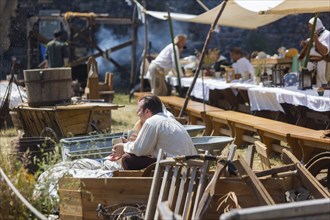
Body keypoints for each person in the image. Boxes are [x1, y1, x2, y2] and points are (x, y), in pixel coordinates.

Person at [111, 95, 197, 170]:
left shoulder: (152, 121)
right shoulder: (170, 120)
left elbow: (140, 150)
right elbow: (147, 148)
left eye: (139, 110)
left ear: (147, 112)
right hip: (187, 165)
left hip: (174, 167)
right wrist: (131, 143)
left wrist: (124, 147)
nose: (138, 114)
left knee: (127, 159)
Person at [300, 17, 330, 87]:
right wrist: (306, 44)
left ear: (316, 25)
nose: (310, 29)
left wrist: (315, 40)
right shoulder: (315, 35)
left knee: (323, 85)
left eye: (311, 27)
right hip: (312, 65)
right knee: (312, 86)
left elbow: (325, 51)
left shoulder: (327, 34)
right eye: (309, 27)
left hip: (323, 64)